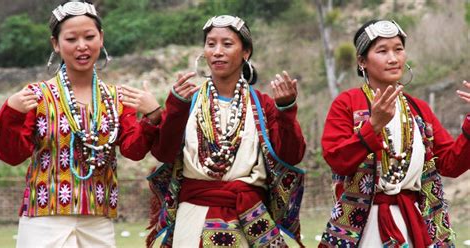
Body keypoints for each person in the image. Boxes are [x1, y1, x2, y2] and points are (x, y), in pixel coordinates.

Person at [0, 1, 162, 247]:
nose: (82, 46)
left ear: (101, 38)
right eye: (71, 39)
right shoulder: (36, 96)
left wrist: (153, 116)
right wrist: (11, 113)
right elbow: (11, 155)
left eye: (89, 36)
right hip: (45, 218)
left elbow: (133, 151)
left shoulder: (117, 99)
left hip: (98, 217)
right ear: (56, 43)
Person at [146, 15, 306, 247]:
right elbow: (163, 153)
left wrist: (286, 109)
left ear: (246, 52)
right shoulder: (189, 101)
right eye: (211, 44)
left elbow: (292, 156)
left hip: (249, 217)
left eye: (227, 44)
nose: (217, 51)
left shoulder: (262, 105)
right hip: (193, 216)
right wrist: (176, 107)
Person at [319, 19, 470, 247]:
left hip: (413, 223)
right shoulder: (348, 103)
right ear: (362, 61)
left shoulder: (418, 109)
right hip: (363, 226)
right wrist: (373, 127)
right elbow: (337, 159)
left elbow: (450, 164)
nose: (393, 58)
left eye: (398, 49)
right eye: (382, 51)